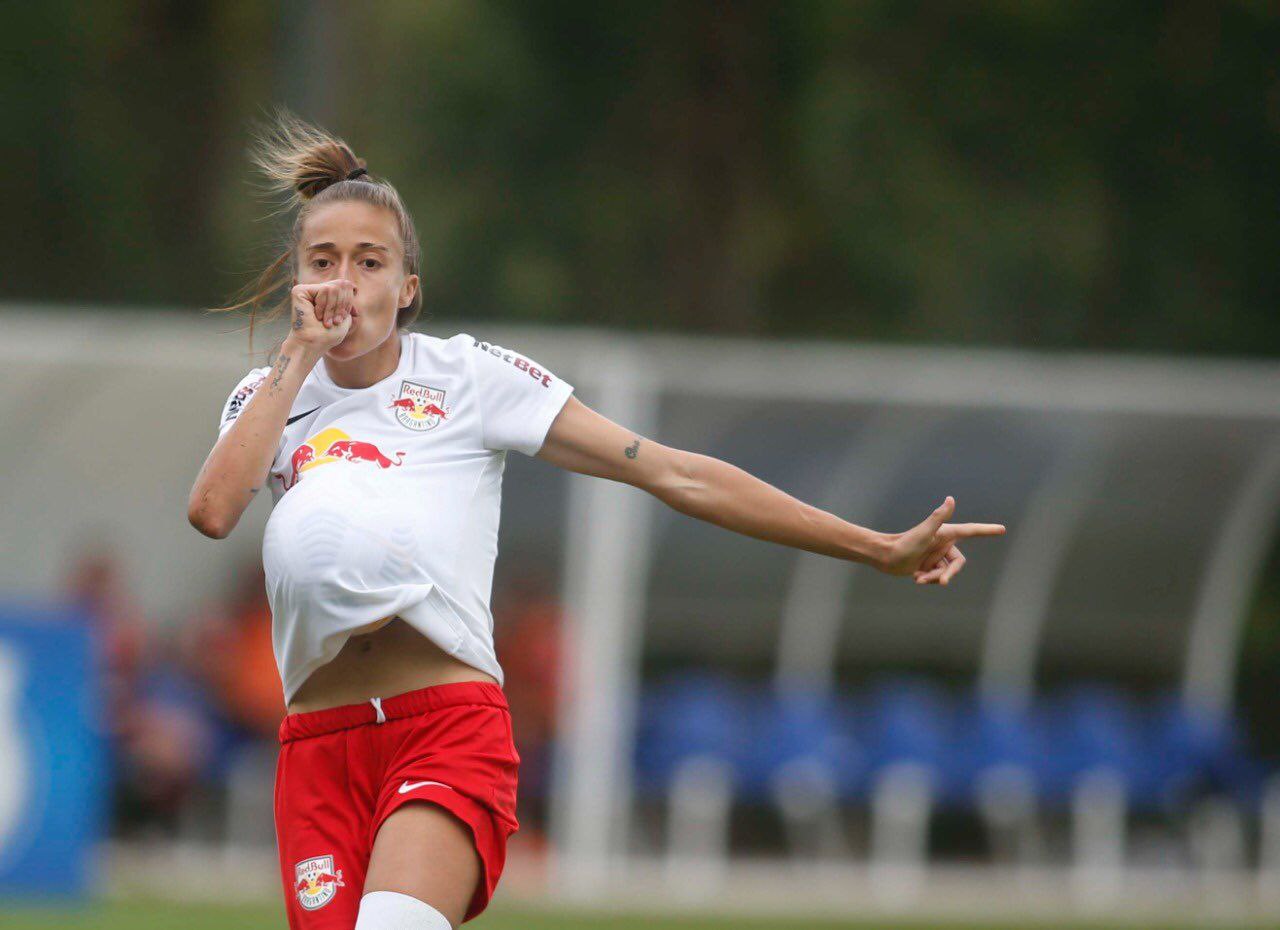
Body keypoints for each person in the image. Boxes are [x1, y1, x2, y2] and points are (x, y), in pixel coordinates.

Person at [187, 107, 1007, 930]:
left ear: (407, 291)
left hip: (442, 732)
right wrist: (293, 358)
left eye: (370, 262)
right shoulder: (270, 399)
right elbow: (214, 512)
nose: (345, 283)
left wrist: (874, 547)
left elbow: (677, 473)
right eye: (323, 261)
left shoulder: (471, 377)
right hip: (318, 749)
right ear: (297, 278)